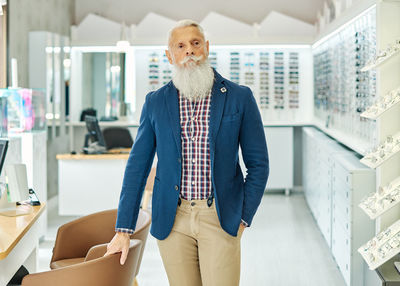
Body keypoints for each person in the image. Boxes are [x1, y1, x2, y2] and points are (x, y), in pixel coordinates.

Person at [104, 19, 269, 286]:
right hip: (173, 220)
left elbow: (259, 164)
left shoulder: (239, 97)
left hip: (220, 216)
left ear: (206, 47)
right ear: (169, 55)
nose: (189, 51)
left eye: (195, 43)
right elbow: (137, 167)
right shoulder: (155, 102)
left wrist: (243, 217)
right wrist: (123, 229)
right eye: (180, 46)